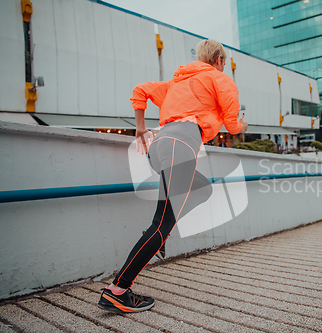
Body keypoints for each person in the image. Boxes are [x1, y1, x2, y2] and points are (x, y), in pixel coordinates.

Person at [97, 39, 248, 313]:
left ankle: (159, 236)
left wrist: (141, 128)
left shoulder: (178, 82)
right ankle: (118, 290)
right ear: (218, 59)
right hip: (181, 147)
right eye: (223, 61)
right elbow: (233, 124)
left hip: (160, 148)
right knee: (161, 223)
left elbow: (140, 90)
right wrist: (243, 123)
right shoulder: (219, 78)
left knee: (203, 190)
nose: (223, 66)